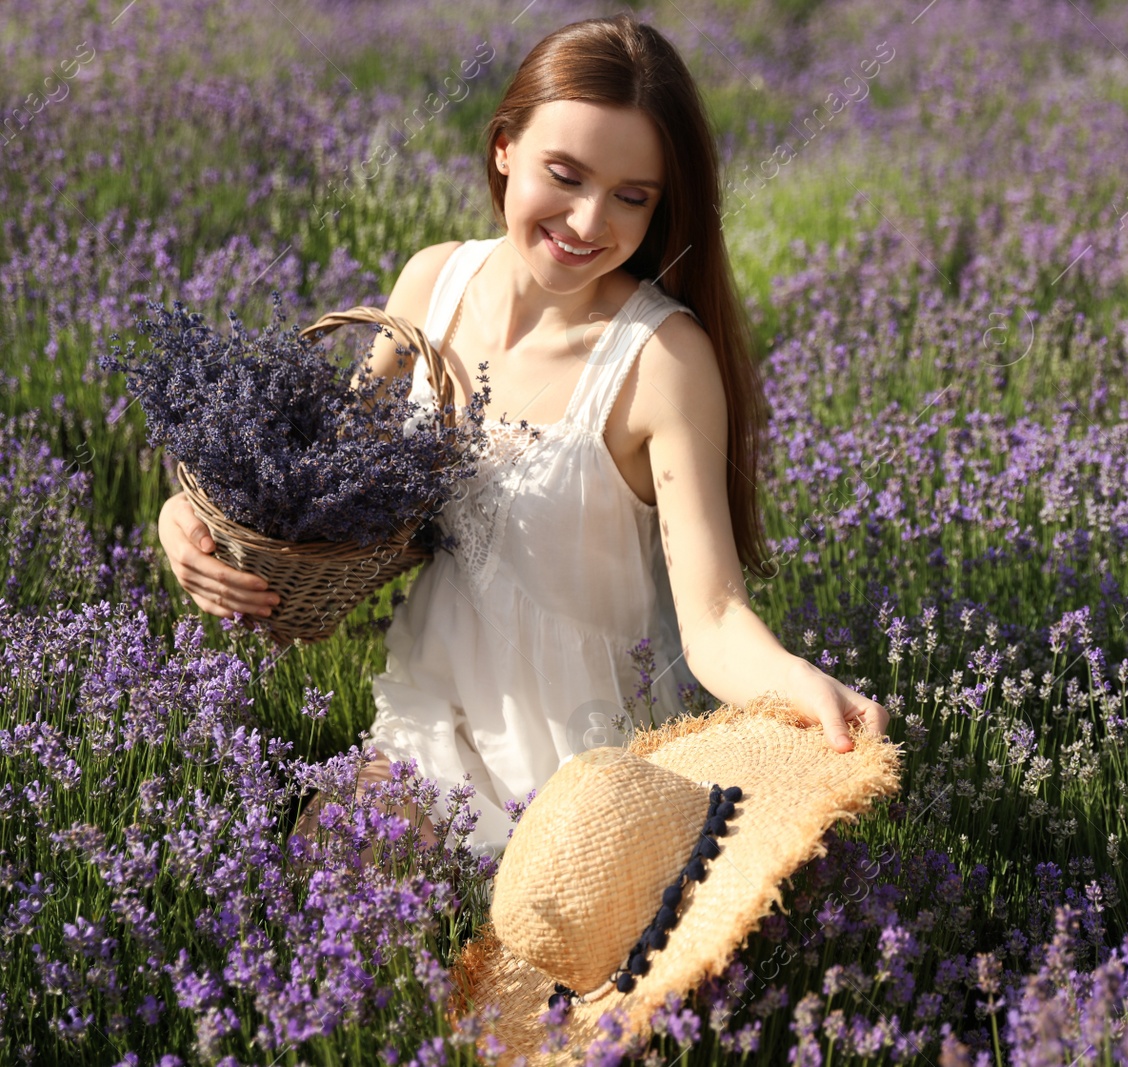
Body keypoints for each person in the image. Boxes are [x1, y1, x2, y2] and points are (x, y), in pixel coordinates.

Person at [156, 13, 888, 858]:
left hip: (595, 767)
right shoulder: (434, 285)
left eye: (631, 197)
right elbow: (317, 488)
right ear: (505, 148)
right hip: (428, 731)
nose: (586, 220)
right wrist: (194, 515)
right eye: (565, 174)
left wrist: (799, 684)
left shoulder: (661, 361)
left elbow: (715, 618)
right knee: (330, 882)